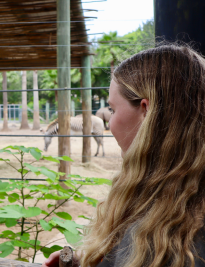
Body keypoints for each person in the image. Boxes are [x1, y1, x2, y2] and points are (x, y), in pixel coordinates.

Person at [42, 45, 205, 267]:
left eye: (113, 110)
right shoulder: (172, 202)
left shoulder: (154, 235)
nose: (110, 122)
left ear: (146, 111)